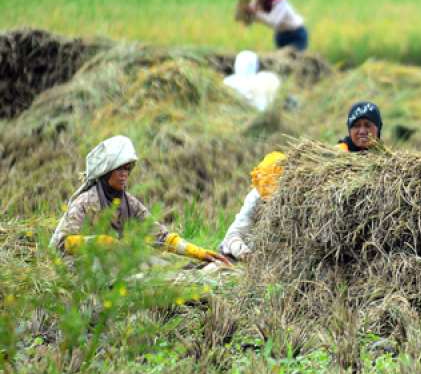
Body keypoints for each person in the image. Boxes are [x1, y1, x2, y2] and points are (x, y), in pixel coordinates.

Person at [219, 101, 383, 261]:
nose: (362, 130)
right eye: (356, 125)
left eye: (368, 125)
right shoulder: (335, 157)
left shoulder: (385, 163)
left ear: (378, 128)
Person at [50, 135, 231, 266]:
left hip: (118, 264)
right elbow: (63, 243)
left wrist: (198, 253)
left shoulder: (130, 204)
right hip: (84, 268)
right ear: (106, 172)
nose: (124, 174)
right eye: (119, 169)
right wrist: (100, 242)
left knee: (160, 265)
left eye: (128, 169)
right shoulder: (85, 202)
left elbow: (160, 237)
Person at [244, 0, 309, 52]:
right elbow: (249, 21)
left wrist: (254, 13)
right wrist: (244, 12)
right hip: (281, 36)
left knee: (294, 61)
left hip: (296, 35)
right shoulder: (259, 2)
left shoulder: (281, 4)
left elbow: (273, 22)